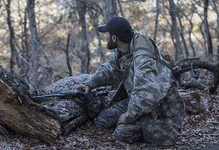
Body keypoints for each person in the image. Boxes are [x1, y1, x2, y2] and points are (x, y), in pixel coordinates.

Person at [72, 16, 185, 146]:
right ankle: (133, 124)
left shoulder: (142, 57)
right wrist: (89, 84)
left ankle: (140, 131)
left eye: (106, 34)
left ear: (115, 38)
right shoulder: (125, 49)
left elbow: (147, 95)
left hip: (162, 115)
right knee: (102, 122)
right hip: (140, 102)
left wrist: (128, 116)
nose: (105, 37)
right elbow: (110, 69)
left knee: (120, 134)